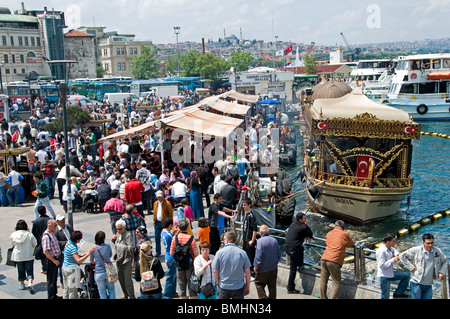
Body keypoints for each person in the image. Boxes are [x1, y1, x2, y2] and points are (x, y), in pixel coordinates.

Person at [399, 233, 448, 299]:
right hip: (416, 283)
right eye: (428, 243)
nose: (430, 245)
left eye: (432, 243)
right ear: (423, 243)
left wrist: (442, 272)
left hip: (428, 284)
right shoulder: (416, 250)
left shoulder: (437, 251)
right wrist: (411, 268)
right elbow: (402, 256)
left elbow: (445, 261)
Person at [320, 220, 355, 299]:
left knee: (323, 280)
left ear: (335, 226)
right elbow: (351, 243)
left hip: (324, 258)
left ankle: (323, 297)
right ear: (343, 227)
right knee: (336, 282)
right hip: (334, 260)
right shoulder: (344, 234)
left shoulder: (329, 233)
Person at [213, 231, 251, 299]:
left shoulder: (219, 253)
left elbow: (215, 271)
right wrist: (247, 285)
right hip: (238, 287)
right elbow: (247, 272)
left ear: (226, 240)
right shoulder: (242, 253)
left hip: (224, 286)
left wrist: (217, 283)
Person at [284, 212, 313, 294]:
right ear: (300, 220)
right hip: (293, 249)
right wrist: (306, 225)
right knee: (293, 269)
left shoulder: (293, 224)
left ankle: (300, 264)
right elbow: (310, 234)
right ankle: (290, 287)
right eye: (304, 218)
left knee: (301, 248)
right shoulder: (303, 227)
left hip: (287, 247)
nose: (306, 219)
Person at [62, 230, 95, 299]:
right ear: (77, 239)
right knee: (73, 291)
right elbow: (78, 261)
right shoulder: (73, 248)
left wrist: (79, 255)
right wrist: (88, 253)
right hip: (72, 270)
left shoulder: (68, 243)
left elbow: (72, 255)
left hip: (65, 267)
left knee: (66, 289)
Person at [170, 219, 198, 299]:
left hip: (179, 264)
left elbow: (171, 253)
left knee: (182, 288)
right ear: (187, 227)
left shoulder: (175, 238)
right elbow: (196, 253)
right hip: (189, 264)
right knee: (191, 287)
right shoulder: (191, 238)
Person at [376, 233, 410, 299]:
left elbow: (394, 250)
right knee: (385, 295)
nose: (395, 242)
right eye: (393, 241)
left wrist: (397, 255)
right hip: (384, 276)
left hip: (390, 273)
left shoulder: (390, 247)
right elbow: (382, 265)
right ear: (388, 242)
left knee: (406, 275)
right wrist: (393, 260)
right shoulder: (381, 251)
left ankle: (398, 293)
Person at [253, 224, 281, 299]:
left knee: (258, 283)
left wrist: (256, 266)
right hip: (273, 268)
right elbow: (279, 254)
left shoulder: (259, 242)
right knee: (272, 286)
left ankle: (263, 298)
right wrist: (275, 262)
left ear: (261, 233)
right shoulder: (274, 240)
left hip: (263, 268)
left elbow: (258, 256)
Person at [10, 219, 37, 294]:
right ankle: (30, 283)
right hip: (29, 255)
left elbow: (12, 244)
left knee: (20, 270)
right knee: (30, 270)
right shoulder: (29, 234)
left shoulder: (13, 234)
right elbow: (35, 243)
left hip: (18, 256)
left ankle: (22, 284)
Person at [112, 219, 136, 299]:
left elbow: (130, 248)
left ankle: (132, 296)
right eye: (117, 229)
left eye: (120, 229)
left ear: (124, 227)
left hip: (126, 260)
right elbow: (117, 245)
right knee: (121, 278)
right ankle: (126, 294)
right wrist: (114, 241)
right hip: (119, 260)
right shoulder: (118, 234)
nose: (118, 230)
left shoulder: (128, 235)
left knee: (128, 281)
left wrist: (119, 246)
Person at [90, 231, 116, 299]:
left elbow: (92, 261)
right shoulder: (108, 246)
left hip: (98, 272)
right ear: (104, 238)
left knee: (102, 291)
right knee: (111, 289)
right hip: (108, 272)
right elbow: (110, 255)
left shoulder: (93, 248)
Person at [41, 219, 62, 299]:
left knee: (54, 279)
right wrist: (54, 260)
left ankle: (54, 294)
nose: (56, 227)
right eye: (54, 225)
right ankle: (51, 296)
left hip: (56, 259)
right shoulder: (46, 236)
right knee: (51, 280)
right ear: (49, 226)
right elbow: (46, 251)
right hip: (51, 260)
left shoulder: (52, 233)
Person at [55, 214, 74, 286]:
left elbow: (73, 235)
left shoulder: (69, 227)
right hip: (62, 252)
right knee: (62, 267)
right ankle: (63, 282)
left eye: (63, 219)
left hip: (71, 251)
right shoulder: (56, 231)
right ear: (57, 222)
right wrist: (67, 243)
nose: (63, 221)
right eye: (61, 220)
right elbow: (57, 242)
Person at [161, 218, 177, 299]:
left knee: (173, 275)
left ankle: (173, 292)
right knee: (170, 277)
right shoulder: (169, 235)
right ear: (170, 225)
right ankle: (167, 295)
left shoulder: (163, 232)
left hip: (167, 256)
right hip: (171, 257)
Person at [153, 190, 173, 257]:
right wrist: (154, 220)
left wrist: (170, 222)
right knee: (157, 237)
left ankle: (170, 250)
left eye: (160, 197)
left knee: (167, 237)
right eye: (158, 197)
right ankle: (158, 252)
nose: (159, 198)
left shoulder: (167, 203)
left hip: (164, 223)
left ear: (163, 196)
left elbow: (170, 213)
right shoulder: (155, 203)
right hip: (157, 222)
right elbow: (154, 213)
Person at [242, 198, 258, 277]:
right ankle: (246, 272)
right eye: (243, 205)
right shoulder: (246, 214)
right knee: (245, 256)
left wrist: (252, 240)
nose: (243, 206)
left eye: (245, 205)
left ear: (249, 205)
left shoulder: (251, 216)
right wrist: (243, 237)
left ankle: (252, 274)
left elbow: (255, 229)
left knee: (250, 257)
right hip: (245, 239)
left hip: (249, 241)